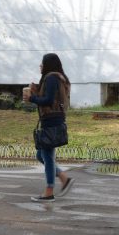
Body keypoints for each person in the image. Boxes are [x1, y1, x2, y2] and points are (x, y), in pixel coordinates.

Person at [22, 53, 74, 202]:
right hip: (54, 119)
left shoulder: (51, 77)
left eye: (42, 63)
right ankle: (64, 178)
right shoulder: (57, 78)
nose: (40, 65)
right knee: (41, 155)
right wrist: (37, 89)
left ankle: (49, 191)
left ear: (48, 64)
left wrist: (31, 98)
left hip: (51, 120)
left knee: (48, 157)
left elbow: (49, 100)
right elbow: (51, 95)